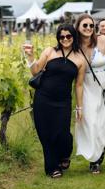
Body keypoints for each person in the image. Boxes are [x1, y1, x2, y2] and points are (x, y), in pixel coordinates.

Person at [23, 24, 86, 178]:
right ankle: (52, 167)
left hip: (63, 101)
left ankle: (64, 154)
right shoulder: (50, 51)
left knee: (62, 133)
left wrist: (79, 107)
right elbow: (35, 71)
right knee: (45, 133)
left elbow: (78, 85)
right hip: (43, 98)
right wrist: (30, 56)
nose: (65, 39)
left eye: (68, 36)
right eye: (62, 37)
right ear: (58, 38)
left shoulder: (80, 59)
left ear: (74, 37)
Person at [75, 14, 105, 174]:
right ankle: (94, 157)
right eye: (85, 26)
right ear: (79, 27)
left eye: (90, 25)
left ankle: (98, 157)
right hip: (87, 89)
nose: (88, 28)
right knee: (91, 123)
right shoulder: (74, 45)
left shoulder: (102, 40)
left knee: (104, 125)